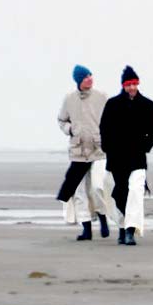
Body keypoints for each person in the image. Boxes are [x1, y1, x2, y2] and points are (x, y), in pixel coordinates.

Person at [98, 65, 153, 245]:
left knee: (136, 192)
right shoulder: (112, 104)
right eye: (128, 84)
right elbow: (104, 129)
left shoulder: (147, 105)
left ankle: (131, 231)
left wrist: (145, 146)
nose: (132, 87)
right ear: (123, 85)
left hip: (138, 158)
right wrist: (108, 148)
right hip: (117, 158)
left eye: (134, 84)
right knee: (119, 193)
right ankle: (123, 226)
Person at [55, 65, 109, 241]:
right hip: (78, 152)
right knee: (79, 192)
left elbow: (112, 119)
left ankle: (102, 217)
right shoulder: (69, 99)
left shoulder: (101, 96)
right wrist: (71, 129)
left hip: (99, 150)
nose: (90, 78)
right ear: (79, 80)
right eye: (86, 76)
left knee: (97, 187)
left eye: (91, 75)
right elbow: (62, 120)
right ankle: (86, 227)